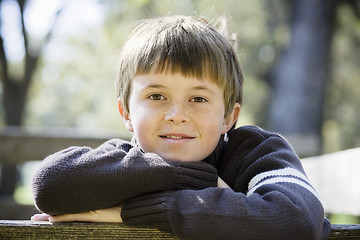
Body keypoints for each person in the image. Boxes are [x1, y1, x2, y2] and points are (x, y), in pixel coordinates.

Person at [31, 15, 331, 239]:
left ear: (229, 116)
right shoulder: (121, 158)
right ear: (126, 112)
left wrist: (128, 213)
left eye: (198, 98)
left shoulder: (258, 152)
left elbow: (297, 220)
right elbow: (50, 184)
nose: (177, 115)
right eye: (156, 96)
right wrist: (202, 180)